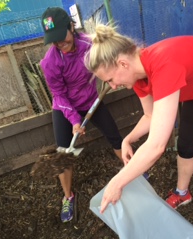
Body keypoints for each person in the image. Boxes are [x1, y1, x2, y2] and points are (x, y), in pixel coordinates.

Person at [83, 23, 193, 239]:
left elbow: (157, 145)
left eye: (110, 80)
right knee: (186, 145)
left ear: (122, 63)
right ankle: (182, 193)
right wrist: (128, 139)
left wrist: (117, 182)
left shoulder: (163, 66)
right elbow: (150, 116)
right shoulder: (139, 78)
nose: (112, 86)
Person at [39, 7, 123, 223]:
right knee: (64, 153)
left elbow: (106, 61)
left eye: (61, 37)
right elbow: (58, 95)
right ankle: (68, 196)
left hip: (90, 101)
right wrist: (75, 121)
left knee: (115, 137)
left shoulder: (90, 44)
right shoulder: (50, 62)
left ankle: (133, 170)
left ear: (71, 27)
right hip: (65, 107)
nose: (59, 43)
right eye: (53, 40)